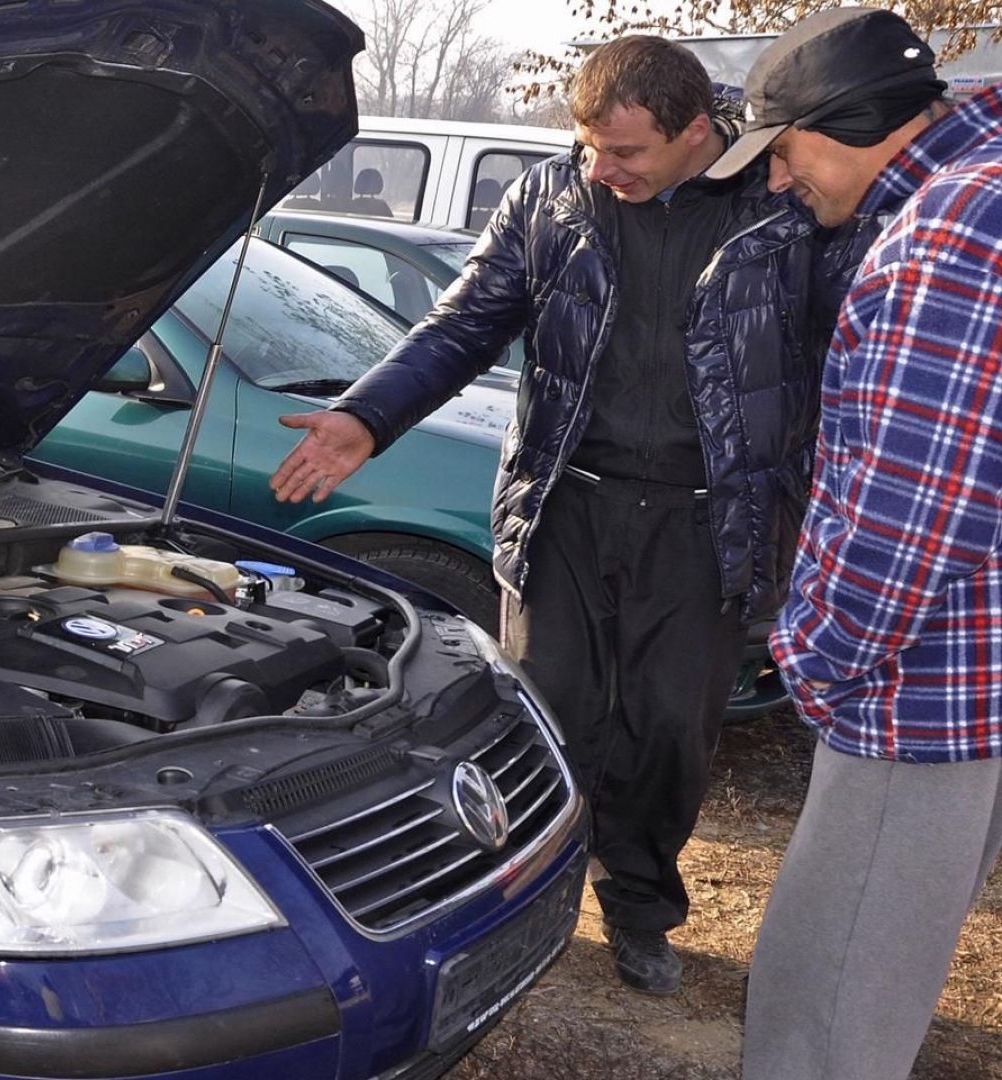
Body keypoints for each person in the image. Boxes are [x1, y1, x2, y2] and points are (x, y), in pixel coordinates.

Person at [270, 36, 857, 994]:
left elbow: (841, 356)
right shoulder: (550, 199)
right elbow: (461, 323)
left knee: (669, 734)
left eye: (624, 152)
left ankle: (639, 908)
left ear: (698, 133)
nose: (601, 168)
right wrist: (366, 416)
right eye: (589, 145)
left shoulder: (782, 208)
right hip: (565, 509)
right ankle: (524, 896)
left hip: (708, 525)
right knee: (547, 721)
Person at [698, 9, 1002, 1078]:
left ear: (844, 122)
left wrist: (814, 660)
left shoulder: (952, 226)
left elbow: (913, 507)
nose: (779, 182)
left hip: (918, 699)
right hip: (979, 684)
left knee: (819, 1027)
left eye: (781, 151)